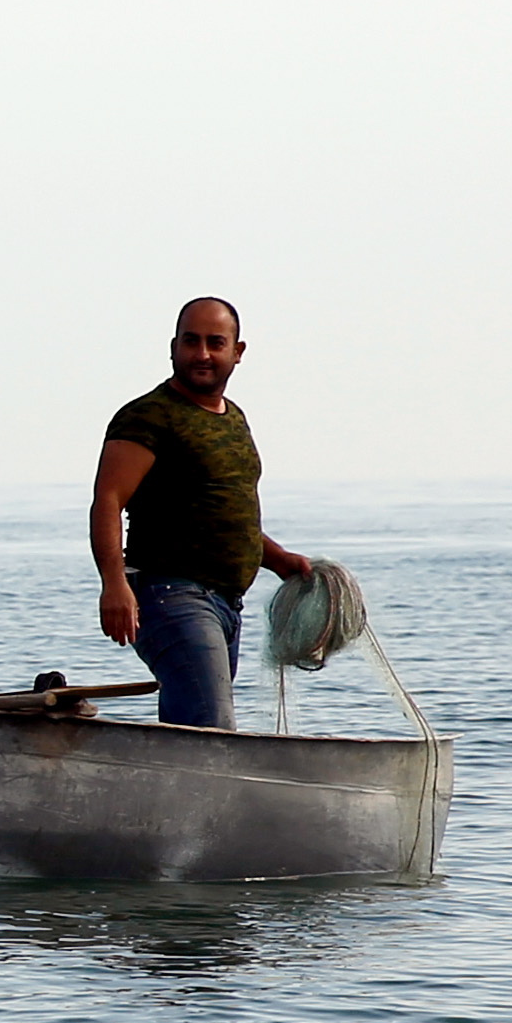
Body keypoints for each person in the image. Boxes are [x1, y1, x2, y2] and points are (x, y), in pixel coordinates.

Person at [89, 298, 310, 729]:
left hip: (227, 604)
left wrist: (278, 559)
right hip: (169, 595)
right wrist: (114, 584)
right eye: (192, 341)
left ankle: (162, 796)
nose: (203, 354)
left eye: (215, 342)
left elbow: (222, 514)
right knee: (212, 727)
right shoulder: (148, 417)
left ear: (237, 351)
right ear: (174, 347)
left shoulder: (234, 419)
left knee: (189, 730)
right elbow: (108, 500)